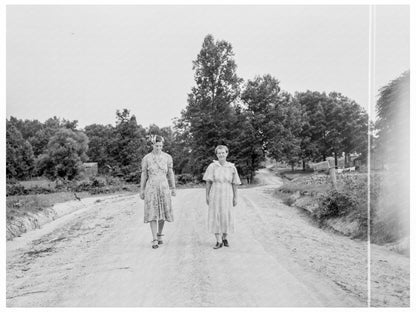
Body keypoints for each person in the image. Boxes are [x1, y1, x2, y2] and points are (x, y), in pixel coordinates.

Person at [140, 135, 176, 249]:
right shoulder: (147, 158)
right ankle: (154, 238)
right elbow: (144, 174)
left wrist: (173, 187)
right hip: (151, 187)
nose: (158, 148)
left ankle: (160, 234)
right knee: (152, 212)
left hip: (164, 187)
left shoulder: (167, 157)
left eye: (160, 146)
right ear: (152, 145)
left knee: (162, 213)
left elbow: (170, 173)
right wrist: (141, 189)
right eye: (156, 145)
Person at [203, 145, 241, 249]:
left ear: (227, 153)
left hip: (227, 194)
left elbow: (235, 183)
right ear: (216, 154)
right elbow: (208, 182)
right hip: (215, 193)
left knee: (226, 215)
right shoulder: (212, 166)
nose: (221, 154)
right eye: (219, 153)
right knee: (216, 215)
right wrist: (207, 195)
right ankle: (218, 241)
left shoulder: (231, 167)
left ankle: (224, 237)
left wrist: (235, 197)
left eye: (223, 153)